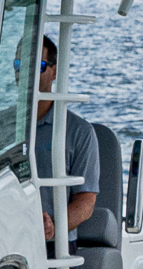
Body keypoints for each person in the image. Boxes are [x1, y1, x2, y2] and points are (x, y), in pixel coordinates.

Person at [31, 34, 97, 245]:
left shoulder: (79, 132)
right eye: (21, 64)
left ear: (55, 71)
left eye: (39, 65)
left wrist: (53, 226)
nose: (28, 72)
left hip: (54, 246)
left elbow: (86, 201)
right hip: (0, 237)